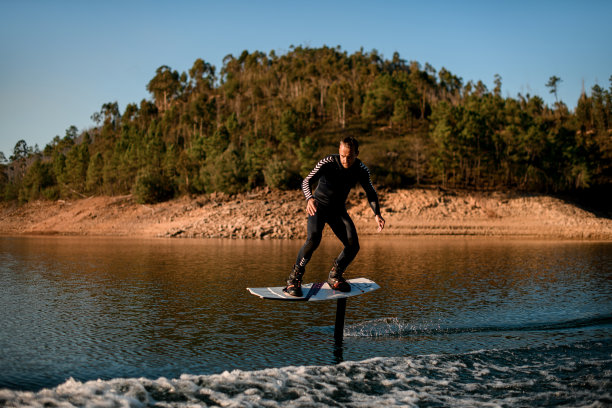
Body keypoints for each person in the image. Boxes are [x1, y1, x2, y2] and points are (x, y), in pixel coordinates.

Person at [284, 136, 385, 297]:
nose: (345, 160)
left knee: (353, 245)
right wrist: (309, 198)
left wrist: (377, 213)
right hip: (318, 206)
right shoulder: (328, 162)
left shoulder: (361, 169)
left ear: (356, 153)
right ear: (339, 151)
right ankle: (294, 279)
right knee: (314, 239)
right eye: (343, 155)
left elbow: (371, 192)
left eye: (350, 156)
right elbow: (306, 181)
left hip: (338, 210)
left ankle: (335, 275)